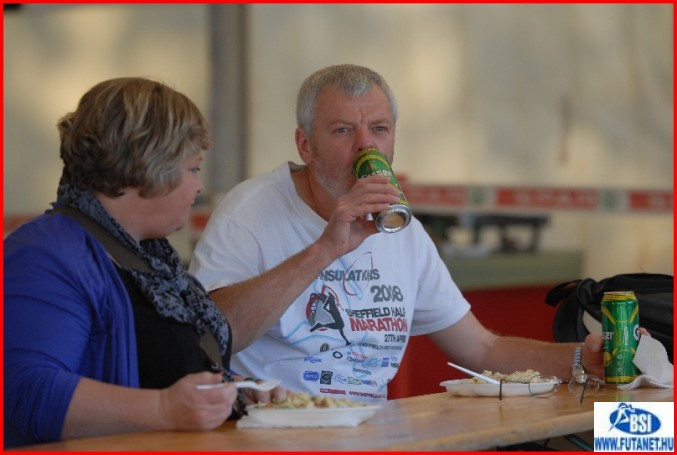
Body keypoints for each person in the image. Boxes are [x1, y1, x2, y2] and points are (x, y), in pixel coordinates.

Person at [189, 64, 606, 402]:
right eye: (343, 130)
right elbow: (209, 336)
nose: (365, 146)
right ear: (305, 145)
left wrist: (581, 360)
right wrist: (326, 248)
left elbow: (481, 348)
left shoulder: (403, 230)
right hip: (272, 432)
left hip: (369, 432)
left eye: (379, 129)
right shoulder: (249, 210)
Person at [3, 77, 286, 448]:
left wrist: (231, 392)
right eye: (192, 169)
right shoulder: (44, 254)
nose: (198, 187)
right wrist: (162, 409)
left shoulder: (148, 258)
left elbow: (164, 369)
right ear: (147, 165)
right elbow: (24, 391)